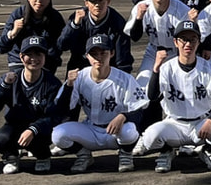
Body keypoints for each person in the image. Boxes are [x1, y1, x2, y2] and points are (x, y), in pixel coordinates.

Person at [130, 20, 211, 173]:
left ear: (198, 41)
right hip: (174, 123)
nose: (188, 44)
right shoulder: (167, 68)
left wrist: (210, 121)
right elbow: (153, 96)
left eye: (192, 39)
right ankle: (167, 150)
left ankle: (206, 149)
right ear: (175, 42)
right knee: (150, 137)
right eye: (183, 39)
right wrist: (155, 70)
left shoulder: (209, 68)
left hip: (201, 123)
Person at [51, 33, 147, 173]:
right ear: (87, 56)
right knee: (58, 134)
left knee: (130, 131)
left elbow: (140, 108)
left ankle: (126, 154)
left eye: (103, 53)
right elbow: (61, 108)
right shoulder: (79, 77)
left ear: (112, 53)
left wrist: (123, 116)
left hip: (116, 133)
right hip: (91, 129)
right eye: (94, 54)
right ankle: (83, 155)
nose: (99, 57)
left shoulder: (124, 79)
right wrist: (68, 86)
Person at [0, 35, 65, 174]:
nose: (34, 59)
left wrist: (33, 129)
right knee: (0, 140)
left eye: (38, 54)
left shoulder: (52, 83)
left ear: (45, 56)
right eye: (29, 54)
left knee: (39, 139)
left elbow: (55, 115)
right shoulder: (10, 79)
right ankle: (11, 156)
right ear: (21, 57)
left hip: (40, 129)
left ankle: (43, 156)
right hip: (15, 125)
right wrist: (3, 87)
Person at [124, 0, 191, 86]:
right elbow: (135, 37)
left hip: (176, 52)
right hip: (153, 51)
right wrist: (139, 18)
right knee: (142, 86)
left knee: (179, 86)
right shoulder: (142, 8)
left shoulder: (182, 10)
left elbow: (189, 39)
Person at [57, 0, 133, 74]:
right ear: (86, 3)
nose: (97, 4)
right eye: (93, 1)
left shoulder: (117, 22)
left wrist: (122, 78)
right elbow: (63, 45)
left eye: (101, 0)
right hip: (80, 66)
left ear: (108, 1)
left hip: (107, 68)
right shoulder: (78, 18)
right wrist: (74, 25)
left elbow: (123, 57)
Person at [0, 0, 64, 73]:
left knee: (48, 84)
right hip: (19, 61)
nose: (40, 0)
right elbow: (1, 47)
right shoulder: (18, 14)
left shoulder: (55, 18)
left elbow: (61, 46)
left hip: (45, 62)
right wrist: (13, 33)